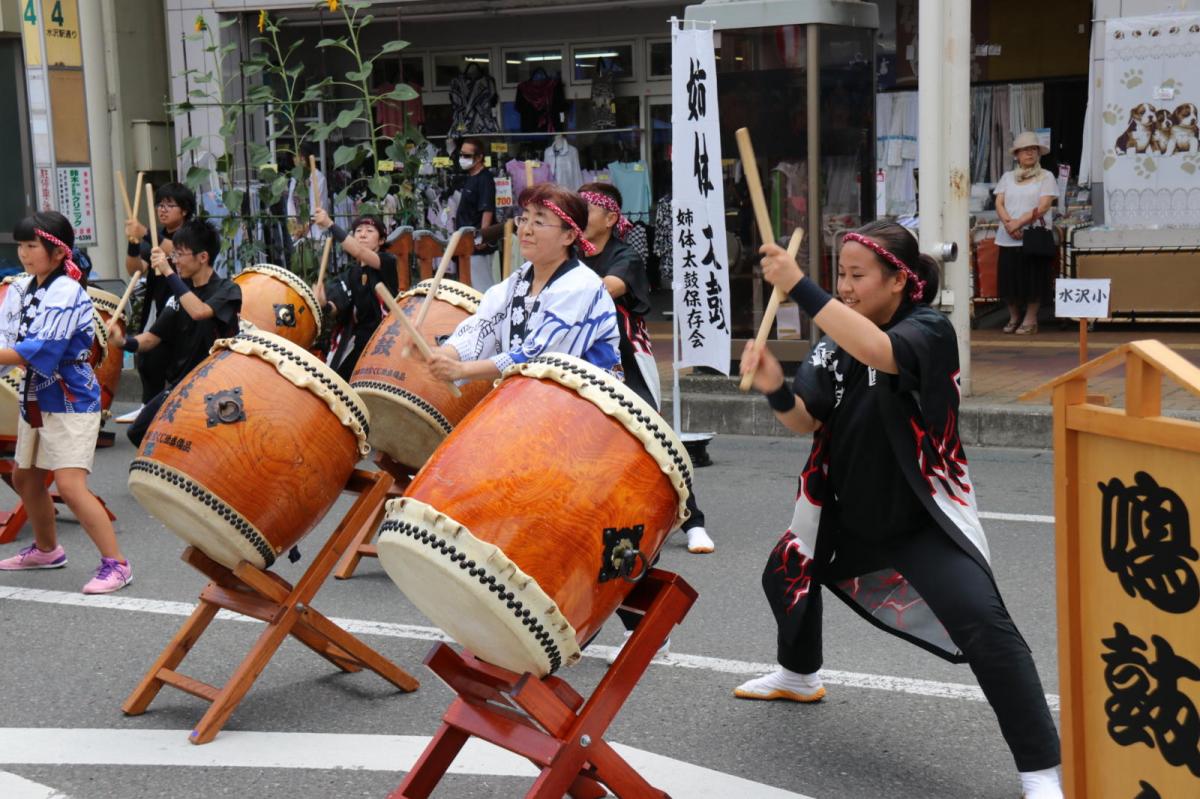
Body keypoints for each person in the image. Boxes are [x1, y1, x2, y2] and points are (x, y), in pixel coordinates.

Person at [734, 221, 1063, 799]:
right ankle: (798, 674)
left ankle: (1040, 771)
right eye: (841, 274)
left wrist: (803, 286)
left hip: (918, 516)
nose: (847, 286)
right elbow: (806, 420)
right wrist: (776, 388)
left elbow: (880, 353)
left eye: (857, 276)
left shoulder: (928, 330)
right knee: (786, 575)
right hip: (843, 503)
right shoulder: (833, 343)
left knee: (986, 625)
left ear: (899, 280)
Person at [579, 182, 715, 556]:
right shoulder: (568, 254)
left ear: (610, 218)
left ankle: (693, 521)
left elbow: (607, 288)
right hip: (577, 357)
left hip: (625, 360)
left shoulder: (626, 255)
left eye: (587, 208)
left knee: (652, 440)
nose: (578, 215)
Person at [0, 211, 131, 594]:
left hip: (71, 397)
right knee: (26, 477)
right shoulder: (22, 288)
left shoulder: (68, 291)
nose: (24, 254)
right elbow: (9, 339)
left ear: (57, 253)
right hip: (37, 396)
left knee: (71, 487)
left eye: (32, 246)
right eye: (20, 246)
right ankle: (47, 550)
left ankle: (118, 564)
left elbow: (41, 349)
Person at [427, 182, 620, 385]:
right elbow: (482, 326)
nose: (525, 230)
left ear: (569, 235)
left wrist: (462, 370)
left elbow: (539, 356)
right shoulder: (519, 279)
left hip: (586, 404)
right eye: (524, 219)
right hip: (529, 396)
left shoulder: (580, 286)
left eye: (538, 222)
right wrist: (444, 354)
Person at [112, 219, 242, 449]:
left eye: (180, 254)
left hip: (217, 385)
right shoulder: (179, 296)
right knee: (138, 431)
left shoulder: (227, 290)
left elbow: (199, 311)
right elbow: (151, 339)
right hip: (183, 385)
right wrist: (122, 341)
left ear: (202, 257)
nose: (175, 259)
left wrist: (168, 272)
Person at [123, 182, 197, 414]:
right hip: (160, 305)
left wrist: (144, 232)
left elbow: (179, 251)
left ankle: (178, 408)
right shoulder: (156, 237)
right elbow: (135, 268)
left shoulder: (193, 233)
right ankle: (149, 406)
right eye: (159, 205)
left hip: (187, 305)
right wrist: (134, 244)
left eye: (169, 205)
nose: (162, 210)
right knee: (149, 358)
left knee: (181, 361)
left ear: (184, 210)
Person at [311, 209, 398, 382]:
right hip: (359, 341)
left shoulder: (387, 262)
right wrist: (323, 304)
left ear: (381, 240)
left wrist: (330, 224)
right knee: (334, 382)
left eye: (369, 231)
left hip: (385, 341)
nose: (363, 235)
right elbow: (338, 306)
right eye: (358, 231)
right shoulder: (352, 274)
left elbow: (359, 251)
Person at [994, 131, 1057, 335]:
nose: (1030, 153)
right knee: (1009, 280)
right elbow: (999, 202)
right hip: (1007, 237)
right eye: (1025, 150)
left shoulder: (1046, 176)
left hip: (1033, 236)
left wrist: (1018, 223)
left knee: (1034, 280)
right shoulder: (1007, 177)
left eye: (1033, 149)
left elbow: (1044, 205)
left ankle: (1030, 319)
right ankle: (1013, 316)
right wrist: (1008, 224)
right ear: (1017, 155)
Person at [453, 137, 497, 292]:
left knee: (481, 287)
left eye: (467, 156)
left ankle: (489, 315)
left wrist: (482, 236)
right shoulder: (470, 177)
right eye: (461, 155)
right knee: (469, 286)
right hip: (465, 243)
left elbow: (487, 209)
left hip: (477, 244)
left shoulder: (485, 179)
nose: (462, 159)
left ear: (479, 158)